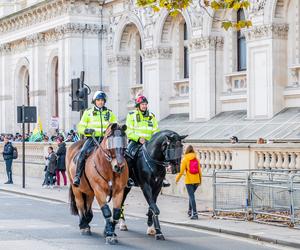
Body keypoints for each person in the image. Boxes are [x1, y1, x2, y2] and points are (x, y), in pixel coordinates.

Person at [73, 91, 117, 187]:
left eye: (102, 100)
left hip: (106, 140)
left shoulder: (109, 113)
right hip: (92, 139)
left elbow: (115, 126)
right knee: (83, 152)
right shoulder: (88, 113)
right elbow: (80, 127)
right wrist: (86, 131)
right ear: (94, 101)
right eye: (98, 100)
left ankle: (123, 178)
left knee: (119, 154)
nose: (100, 102)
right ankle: (77, 176)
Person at [125, 95, 170, 187]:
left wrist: (156, 140)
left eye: (145, 104)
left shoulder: (151, 116)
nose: (144, 106)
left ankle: (163, 178)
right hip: (135, 142)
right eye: (142, 104)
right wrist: (138, 138)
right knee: (128, 156)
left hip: (149, 142)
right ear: (138, 105)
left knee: (161, 154)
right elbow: (129, 131)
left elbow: (155, 131)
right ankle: (128, 178)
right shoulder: (131, 115)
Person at [175, 145, 202, 220]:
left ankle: (195, 214)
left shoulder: (185, 159)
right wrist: (200, 181)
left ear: (186, 150)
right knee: (191, 196)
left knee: (191, 196)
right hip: (196, 180)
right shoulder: (196, 158)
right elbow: (200, 171)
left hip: (189, 181)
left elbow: (181, 172)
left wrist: (176, 179)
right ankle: (190, 211)